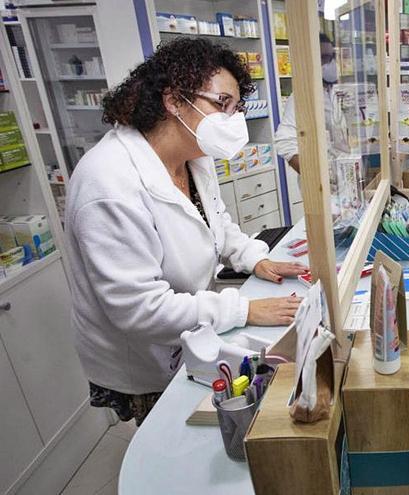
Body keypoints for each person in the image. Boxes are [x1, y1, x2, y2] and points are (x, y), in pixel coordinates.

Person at [65, 38, 308, 425]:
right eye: (222, 104)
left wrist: (255, 257)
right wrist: (244, 309)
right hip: (142, 354)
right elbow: (139, 309)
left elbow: (217, 223)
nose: (232, 119)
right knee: (170, 434)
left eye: (236, 108)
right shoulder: (108, 184)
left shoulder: (193, 157)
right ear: (173, 100)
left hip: (188, 325)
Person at [275, 33, 338, 174]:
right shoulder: (302, 97)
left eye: (331, 57)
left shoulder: (336, 92)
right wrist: (315, 178)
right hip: (323, 184)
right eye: (323, 58)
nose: (330, 63)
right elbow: (285, 141)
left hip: (348, 175)